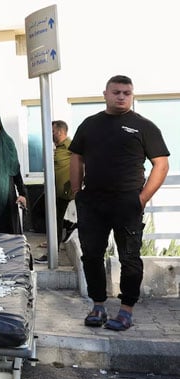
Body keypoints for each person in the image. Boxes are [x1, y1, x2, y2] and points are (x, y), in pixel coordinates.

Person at [70, 75, 169, 331]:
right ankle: (98, 305)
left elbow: (161, 164)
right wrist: (76, 191)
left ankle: (126, 311)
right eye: (117, 92)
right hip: (92, 202)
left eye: (127, 92)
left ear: (132, 95)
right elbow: (77, 157)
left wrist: (142, 198)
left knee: (129, 258)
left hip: (127, 203)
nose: (122, 96)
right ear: (105, 94)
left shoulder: (144, 126)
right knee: (91, 256)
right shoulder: (90, 125)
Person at [34, 120, 77, 264]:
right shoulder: (56, 148)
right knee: (37, 211)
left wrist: (76, 184)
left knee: (55, 222)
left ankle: (53, 254)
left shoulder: (71, 146)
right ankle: (70, 225)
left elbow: (83, 162)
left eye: (51, 131)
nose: (50, 134)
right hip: (52, 190)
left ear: (59, 131)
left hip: (63, 192)